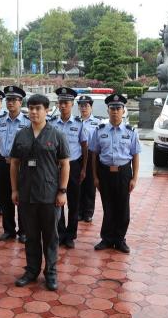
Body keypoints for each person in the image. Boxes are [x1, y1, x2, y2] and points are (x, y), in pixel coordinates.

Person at [10, 94, 70, 291]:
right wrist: (14, 189)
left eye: (38, 108)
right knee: (31, 235)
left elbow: (65, 164)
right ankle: (32, 270)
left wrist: (62, 191)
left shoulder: (56, 135)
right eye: (31, 108)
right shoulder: (22, 135)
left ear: (46, 110)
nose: (34, 112)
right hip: (27, 194)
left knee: (51, 236)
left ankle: (51, 272)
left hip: (49, 194)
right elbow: (14, 164)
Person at [88, 93, 141, 254]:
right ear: (108, 110)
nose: (115, 111)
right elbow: (94, 155)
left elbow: (135, 154)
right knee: (107, 207)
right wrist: (95, 177)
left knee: (123, 208)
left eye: (118, 108)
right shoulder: (100, 130)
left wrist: (134, 178)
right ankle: (107, 238)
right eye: (112, 108)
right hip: (104, 173)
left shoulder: (131, 131)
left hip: (123, 173)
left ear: (124, 110)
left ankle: (120, 239)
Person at [49, 87, 88, 248]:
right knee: (58, 201)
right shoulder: (52, 123)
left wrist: (84, 168)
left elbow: (85, 147)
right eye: (60, 103)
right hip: (55, 166)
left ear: (72, 104)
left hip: (74, 165)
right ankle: (60, 232)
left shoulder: (79, 124)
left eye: (66, 103)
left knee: (73, 202)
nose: (63, 106)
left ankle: (70, 235)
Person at [0, 85, 30, 242]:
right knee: (5, 196)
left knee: (21, 197)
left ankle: (23, 231)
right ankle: (8, 229)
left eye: (14, 100)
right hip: (3, 162)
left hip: (21, 164)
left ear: (21, 102)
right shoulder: (0, 121)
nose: (11, 103)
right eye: (8, 100)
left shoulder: (27, 122)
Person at [76, 95, 101, 222]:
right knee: (78, 184)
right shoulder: (76, 121)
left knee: (90, 184)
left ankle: (88, 212)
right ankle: (79, 211)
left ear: (91, 107)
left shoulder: (97, 123)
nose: (83, 108)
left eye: (86, 105)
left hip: (91, 156)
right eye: (81, 105)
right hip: (77, 156)